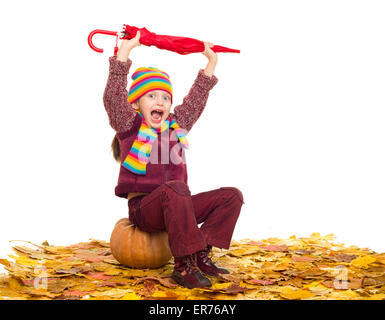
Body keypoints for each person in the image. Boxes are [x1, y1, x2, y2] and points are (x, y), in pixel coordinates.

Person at [103, 31, 244, 289]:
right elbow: (113, 96)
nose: (161, 102)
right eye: (152, 96)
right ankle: (183, 265)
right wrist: (125, 51)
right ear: (135, 104)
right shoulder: (129, 124)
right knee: (176, 189)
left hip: (176, 206)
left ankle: (201, 254)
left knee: (231, 196)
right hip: (144, 211)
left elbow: (196, 100)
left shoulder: (176, 126)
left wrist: (210, 63)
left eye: (166, 97)